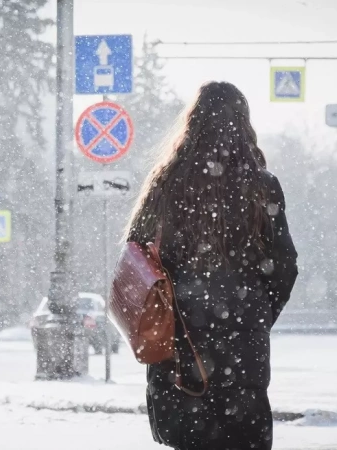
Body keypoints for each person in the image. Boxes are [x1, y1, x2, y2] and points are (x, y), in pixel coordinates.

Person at [125, 81, 298, 450]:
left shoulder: (166, 182)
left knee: (189, 435)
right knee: (243, 436)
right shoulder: (262, 186)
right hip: (243, 340)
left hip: (181, 335)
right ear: (243, 124)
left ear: (193, 122)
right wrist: (258, 310)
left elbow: (135, 257)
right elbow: (285, 264)